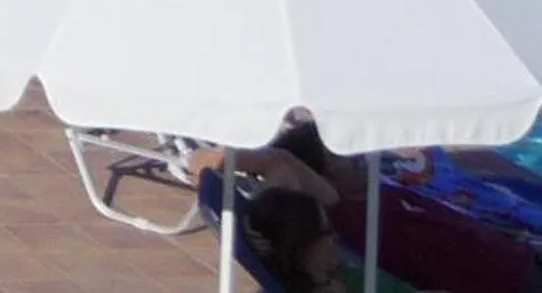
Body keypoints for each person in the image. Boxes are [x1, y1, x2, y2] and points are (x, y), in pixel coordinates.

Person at [225, 119, 542, 293]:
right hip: (512, 280)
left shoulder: (368, 199)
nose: (358, 162)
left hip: (519, 257)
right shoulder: (349, 219)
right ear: (321, 177)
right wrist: (217, 161)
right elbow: (283, 163)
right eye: (341, 158)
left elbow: (283, 161)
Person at [245, 186, 418, 292]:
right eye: (326, 232)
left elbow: (282, 165)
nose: (334, 237)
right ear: (302, 244)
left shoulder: (344, 275)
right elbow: (280, 164)